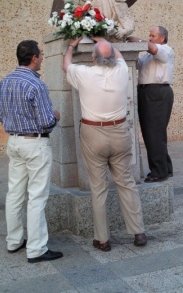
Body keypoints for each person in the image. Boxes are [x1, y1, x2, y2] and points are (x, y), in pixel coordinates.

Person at [62, 36, 147, 251]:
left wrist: (72, 45)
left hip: (93, 132)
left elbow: (66, 66)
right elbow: (117, 55)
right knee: (126, 183)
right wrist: (103, 39)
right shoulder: (121, 71)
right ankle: (138, 232)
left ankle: (103, 239)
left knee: (98, 188)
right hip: (119, 131)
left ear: (93, 58)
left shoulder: (84, 73)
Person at [0, 40, 63, 263]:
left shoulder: (4, 82)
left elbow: (0, 115)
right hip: (34, 143)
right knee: (36, 197)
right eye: (41, 54)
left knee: (14, 193)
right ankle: (36, 248)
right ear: (34, 58)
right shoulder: (36, 85)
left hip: (14, 141)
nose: (42, 58)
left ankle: (14, 241)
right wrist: (56, 116)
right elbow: (46, 122)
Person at [127, 26, 175, 183]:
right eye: (149, 35)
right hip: (146, 92)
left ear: (162, 38)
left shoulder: (165, 50)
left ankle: (159, 172)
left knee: (154, 133)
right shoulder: (147, 56)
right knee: (154, 133)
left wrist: (137, 40)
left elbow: (153, 49)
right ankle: (165, 167)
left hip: (157, 92)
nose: (150, 38)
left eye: (153, 35)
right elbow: (137, 62)